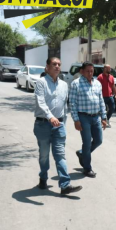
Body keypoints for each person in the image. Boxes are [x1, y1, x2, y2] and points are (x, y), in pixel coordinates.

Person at [34, 57, 82, 195]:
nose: (57, 66)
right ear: (47, 67)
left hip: (59, 125)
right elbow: (40, 102)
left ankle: (65, 185)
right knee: (44, 155)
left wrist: (63, 123)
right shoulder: (41, 83)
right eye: (54, 64)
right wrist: (50, 117)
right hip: (43, 124)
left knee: (60, 154)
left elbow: (64, 107)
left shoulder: (64, 85)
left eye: (59, 64)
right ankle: (43, 177)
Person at [69, 62, 107, 178]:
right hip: (83, 117)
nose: (90, 73)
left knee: (98, 140)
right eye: (88, 71)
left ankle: (82, 154)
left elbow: (101, 101)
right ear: (82, 71)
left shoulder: (97, 84)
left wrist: (104, 117)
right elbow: (72, 103)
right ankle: (87, 168)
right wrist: (76, 120)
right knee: (86, 143)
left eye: (92, 71)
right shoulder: (76, 84)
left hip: (95, 117)